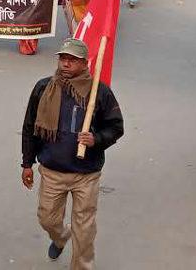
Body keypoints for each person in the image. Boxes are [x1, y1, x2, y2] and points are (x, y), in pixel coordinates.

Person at [21, 38, 123, 270]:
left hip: (86, 174)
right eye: (63, 59)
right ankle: (60, 237)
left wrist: (96, 139)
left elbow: (116, 127)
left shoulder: (100, 92)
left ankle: (82, 266)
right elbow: (29, 127)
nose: (66, 64)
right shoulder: (43, 87)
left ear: (85, 63)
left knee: (84, 227)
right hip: (52, 171)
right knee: (47, 219)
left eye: (72, 60)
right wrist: (27, 163)